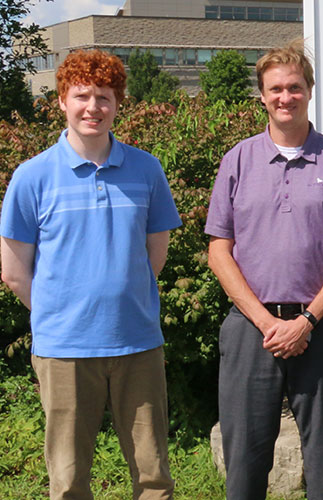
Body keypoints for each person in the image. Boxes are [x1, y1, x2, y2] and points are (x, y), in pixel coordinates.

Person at [205, 40, 323, 500]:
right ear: (262, 96)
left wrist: (305, 322)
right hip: (250, 328)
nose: (286, 96)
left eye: (295, 87)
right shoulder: (237, 161)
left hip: (321, 328)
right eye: (276, 89)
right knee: (244, 462)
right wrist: (268, 323)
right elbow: (219, 253)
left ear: (310, 90)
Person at [0, 50, 181, 500]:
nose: (92, 107)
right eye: (81, 95)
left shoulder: (147, 169)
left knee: (153, 475)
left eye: (104, 96)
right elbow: (14, 273)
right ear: (62, 100)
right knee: (68, 480)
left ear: (119, 103)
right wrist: (64, 315)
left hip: (137, 342)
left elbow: (153, 258)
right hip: (63, 350)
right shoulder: (32, 177)